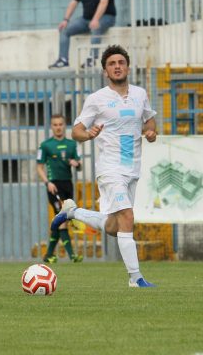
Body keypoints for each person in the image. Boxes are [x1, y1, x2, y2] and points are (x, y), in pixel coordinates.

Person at [51, 45, 157, 288]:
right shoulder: (97, 99)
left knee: (114, 226)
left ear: (128, 67)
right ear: (105, 71)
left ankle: (73, 212)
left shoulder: (140, 94)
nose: (117, 66)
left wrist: (151, 132)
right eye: (112, 63)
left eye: (121, 62)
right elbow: (76, 131)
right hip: (110, 169)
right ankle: (136, 278)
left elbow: (150, 121)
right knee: (128, 217)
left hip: (132, 168)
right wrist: (88, 134)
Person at [49, 0, 116, 69]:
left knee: (95, 27)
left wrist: (95, 19)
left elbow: (104, 2)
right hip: (86, 19)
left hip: (106, 17)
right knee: (65, 30)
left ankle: (92, 59)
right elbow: (73, 3)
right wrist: (65, 20)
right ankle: (63, 60)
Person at [36, 114, 83, 264]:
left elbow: (79, 164)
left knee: (62, 219)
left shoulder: (72, 144)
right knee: (62, 218)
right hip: (54, 186)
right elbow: (39, 167)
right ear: (52, 127)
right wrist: (47, 182)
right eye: (55, 124)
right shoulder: (45, 145)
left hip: (68, 185)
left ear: (64, 125)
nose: (58, 127)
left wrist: (76, 164)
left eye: (60, 124)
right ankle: (72, 255)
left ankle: (48, 255)